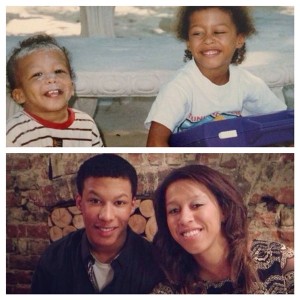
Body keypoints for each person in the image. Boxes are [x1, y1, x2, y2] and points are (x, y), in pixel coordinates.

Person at [145, 7, 287, 146]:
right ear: (188, 42)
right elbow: (155, 143)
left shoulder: (247, 83)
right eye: (197, 33)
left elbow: (284, 121)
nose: (208, 40)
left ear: (239, 38)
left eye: (218, 32)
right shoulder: (178, 88)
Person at [31, 154, 164, 293]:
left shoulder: (155, 264)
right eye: (95, 201)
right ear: (79, 203)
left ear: (132, 206)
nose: (106, 216)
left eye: (119, 203)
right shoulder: (53, 259)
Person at [152, 164, 294, 294]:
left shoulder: (280, 262)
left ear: (224, 210)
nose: (184, 218)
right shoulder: (170, 290)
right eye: (174, 210)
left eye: (196, 205)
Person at [6, 34, 104, 147]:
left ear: (72, 87)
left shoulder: (87, 126)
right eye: (38, 74)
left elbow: (99, 162)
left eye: (58, 71)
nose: (52, 79)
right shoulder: (14, 134)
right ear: (19, 95)